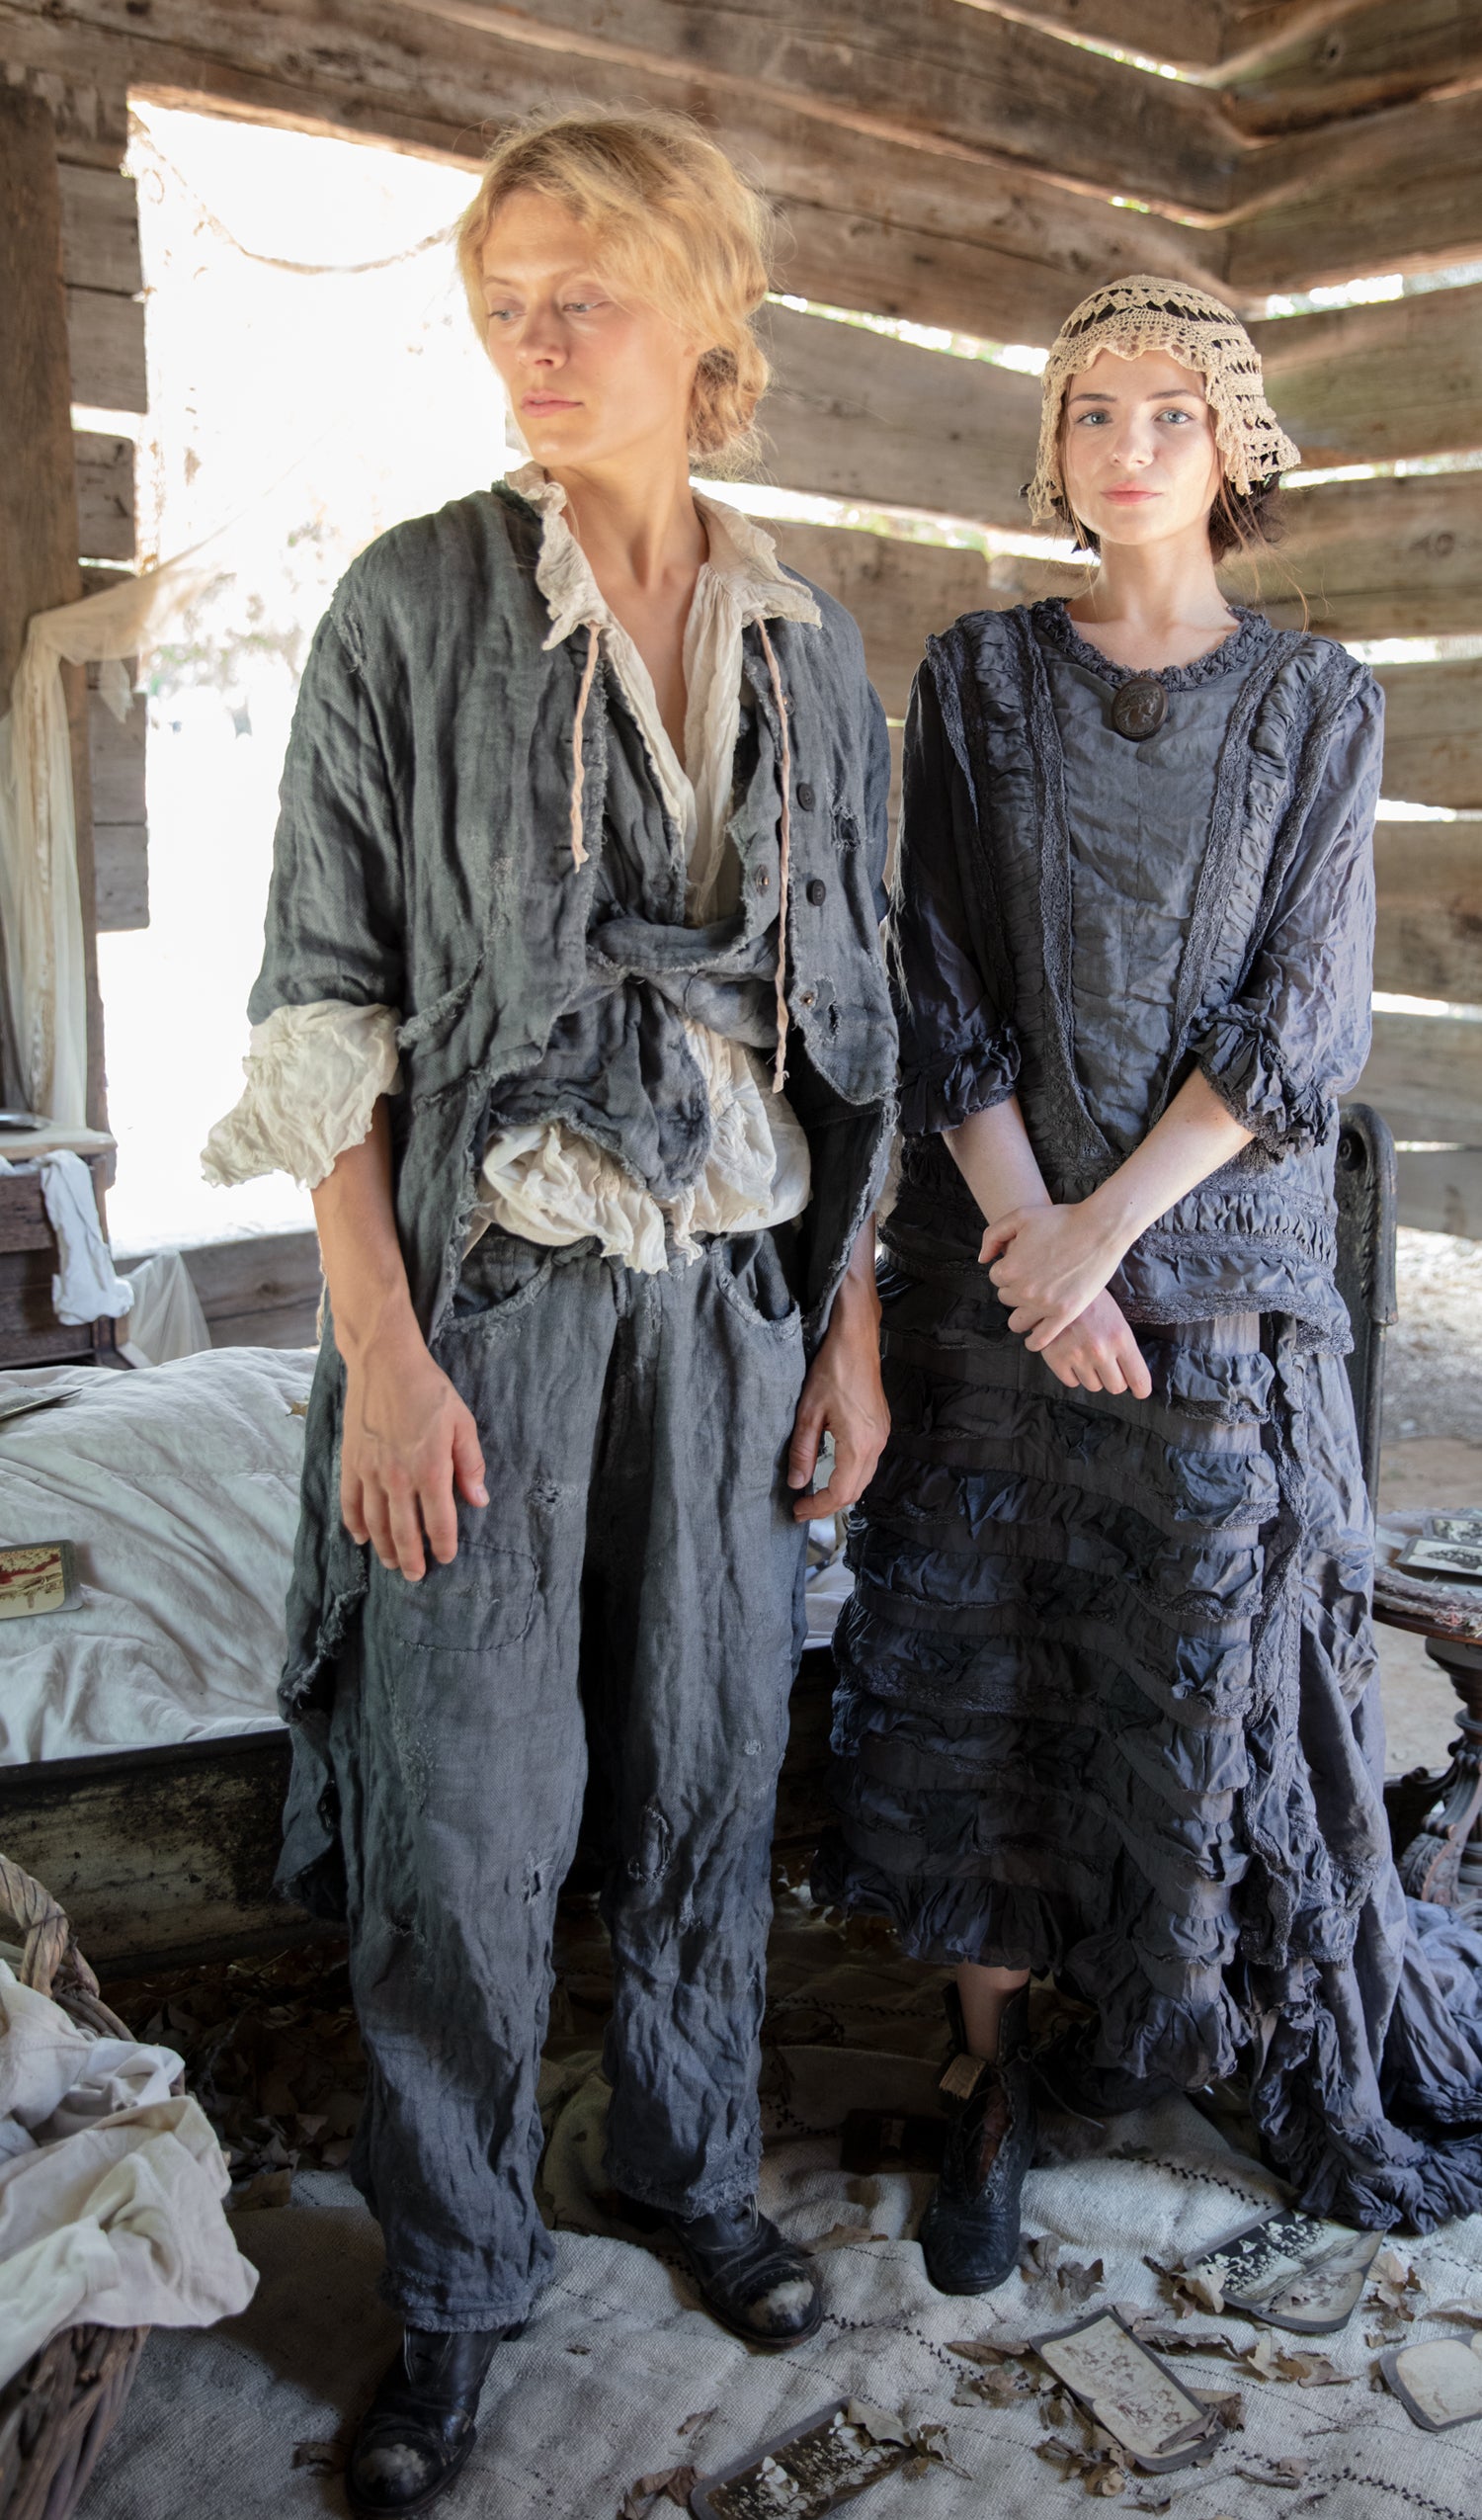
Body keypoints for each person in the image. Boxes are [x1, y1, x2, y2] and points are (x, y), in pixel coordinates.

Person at [204, 110, 896, 2515]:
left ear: (710, 313)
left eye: (582, 295)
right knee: (466, 1822)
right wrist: (383, 1356)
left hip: (732, 1308)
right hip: (489, 1308)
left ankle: (686, 2168)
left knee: (711, 1776)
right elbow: (323, 1002)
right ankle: (460, 2281)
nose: (534, 341)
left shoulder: (807, 645)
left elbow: (848, 1018)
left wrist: (849, 1325)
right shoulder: (411, 605)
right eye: (503, 303)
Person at [814, 274, 1482, 2298]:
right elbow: (935, 980)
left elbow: (1303, 1020)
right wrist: (1031, 1246)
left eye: (1166, 414)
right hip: (993, 1268)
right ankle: (989, 2073)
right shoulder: (979, 676)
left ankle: (1157, 2021)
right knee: (987, 1659)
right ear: (1053, 449)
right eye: (1091, 412)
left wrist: (1101, 1238)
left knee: (1172, 1657)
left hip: (1204, 1279)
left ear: (1235, 446)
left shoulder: (1318, 701)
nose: (1124, 448)